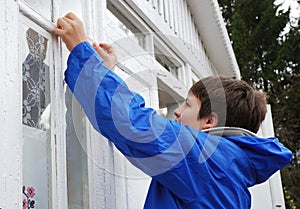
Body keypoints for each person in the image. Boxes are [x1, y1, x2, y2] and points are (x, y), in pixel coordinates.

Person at [54, 12, 292, 209]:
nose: (177, 112)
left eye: (187, 104)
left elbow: (131, 123)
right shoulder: (229, 172)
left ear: (209, 121)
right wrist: (104, 72)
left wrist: (82, 52)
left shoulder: (206, 161)